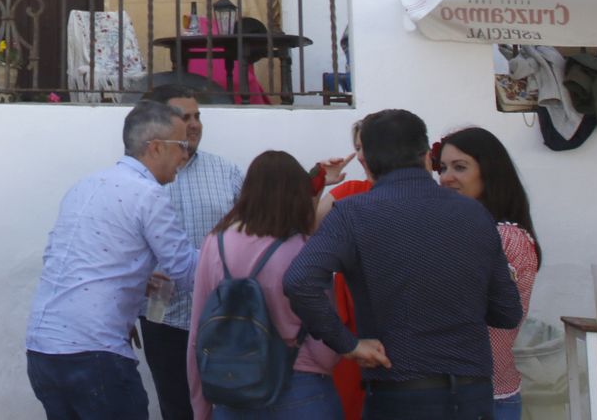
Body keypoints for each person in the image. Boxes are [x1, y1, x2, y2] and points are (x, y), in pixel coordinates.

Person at [283, 109, 521, 419]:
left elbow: (299, 281)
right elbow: (507, 313)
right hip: (471, 392)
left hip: (399, 391)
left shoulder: (353, 213)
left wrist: (348, 344)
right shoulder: (475, 214)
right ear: (426, 157)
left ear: (367, 161)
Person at [25, 100, 198, 419]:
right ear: (156, 147)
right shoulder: (148, 194)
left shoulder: (85, 185)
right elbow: (186, 271)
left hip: (43, 349)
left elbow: (64, 256)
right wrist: (233, 252)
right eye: (181, 145)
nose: (185, 156)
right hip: (94, 352)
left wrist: (134, 279)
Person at [187, 151, 342, 420]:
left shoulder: (215, 243)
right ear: (296, 196)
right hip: (299, 389)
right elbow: (325, 344)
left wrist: (202, 411)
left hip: (231, 389)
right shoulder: (305, 249)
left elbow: (196, 335)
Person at [139, 85, 247, 420]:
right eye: (184, 117)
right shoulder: (139, 177)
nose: (195, 124)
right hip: (165, 317)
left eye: (197, 116)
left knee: (230, 406)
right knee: (176, 408)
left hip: (222, 316)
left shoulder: (226, 172)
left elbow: (252, 234)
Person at [436, 128, 541, 420]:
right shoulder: (468, 231)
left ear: (489, 172)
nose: (446, 178)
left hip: (482, 394)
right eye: (442, 168)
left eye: (460, 167)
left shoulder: (504, 236)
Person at [320, 121, 371, 420]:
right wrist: (320, 182)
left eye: (368, 147)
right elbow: (306, 227)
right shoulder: (351, 191)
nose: (361, 156)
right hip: (353, 320)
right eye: (358, 148)